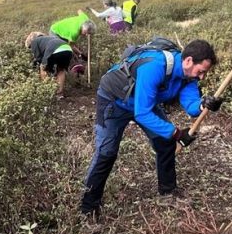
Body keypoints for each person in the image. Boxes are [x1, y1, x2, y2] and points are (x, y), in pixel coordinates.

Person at [79, 39, 224, 217]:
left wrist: (204, 105)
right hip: (114, 100)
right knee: (106, 152)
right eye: (201, 71)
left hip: (145, 101)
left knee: (165, 142)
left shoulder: (188, 77)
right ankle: (88, 209)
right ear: (188, 61)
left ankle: (167, 193)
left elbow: (191, 104)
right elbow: (142, 113)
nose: (202, 77)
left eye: (204, 73)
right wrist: (177, 133)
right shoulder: (155, 66)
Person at [25, 32, 74, 96]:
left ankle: (46, 90)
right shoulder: (49, 38)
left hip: (54, 49)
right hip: (68, 49)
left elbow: (39, 59)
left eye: (30, 47)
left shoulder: (34, 42)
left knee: (43, 68)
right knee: (61, 70)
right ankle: (60, 93)